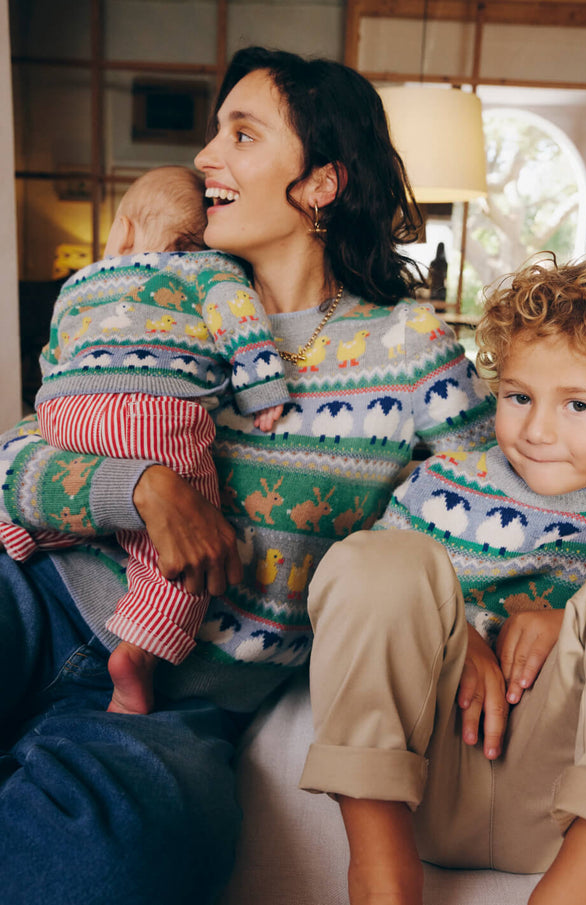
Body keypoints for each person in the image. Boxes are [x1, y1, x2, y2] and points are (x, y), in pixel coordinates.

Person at [0, 47, 496, 905]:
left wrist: (485, 615)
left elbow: (480, 507)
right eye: (211, 133)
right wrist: (142, 484)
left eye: (242, 133)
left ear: (321, 184)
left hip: (178, 695)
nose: (203, 159)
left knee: (109, 865)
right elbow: (17, 455)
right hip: (34, 595)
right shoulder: (162, 288)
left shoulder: (411, 350)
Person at [299, 255, 586, 905]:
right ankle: (382, 874)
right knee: (369, 559)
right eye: (519, 397)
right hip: (420, 774)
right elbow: (364, 621)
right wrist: (463, 635)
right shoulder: (438, 487)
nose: (539, 428)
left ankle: (580, 889)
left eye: (577, 403)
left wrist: (572, 627)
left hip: (570, 801)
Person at [0, 165, 290, 716]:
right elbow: (240, 322)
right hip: (156, 413)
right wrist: (264, 388)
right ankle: (141, 651)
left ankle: (16, 531)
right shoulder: (211, 271)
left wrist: (55, 401)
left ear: (123, 232)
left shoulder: (84, 281)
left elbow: (53, 355)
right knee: (176, 547)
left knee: (73, 484)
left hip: (66, 411)